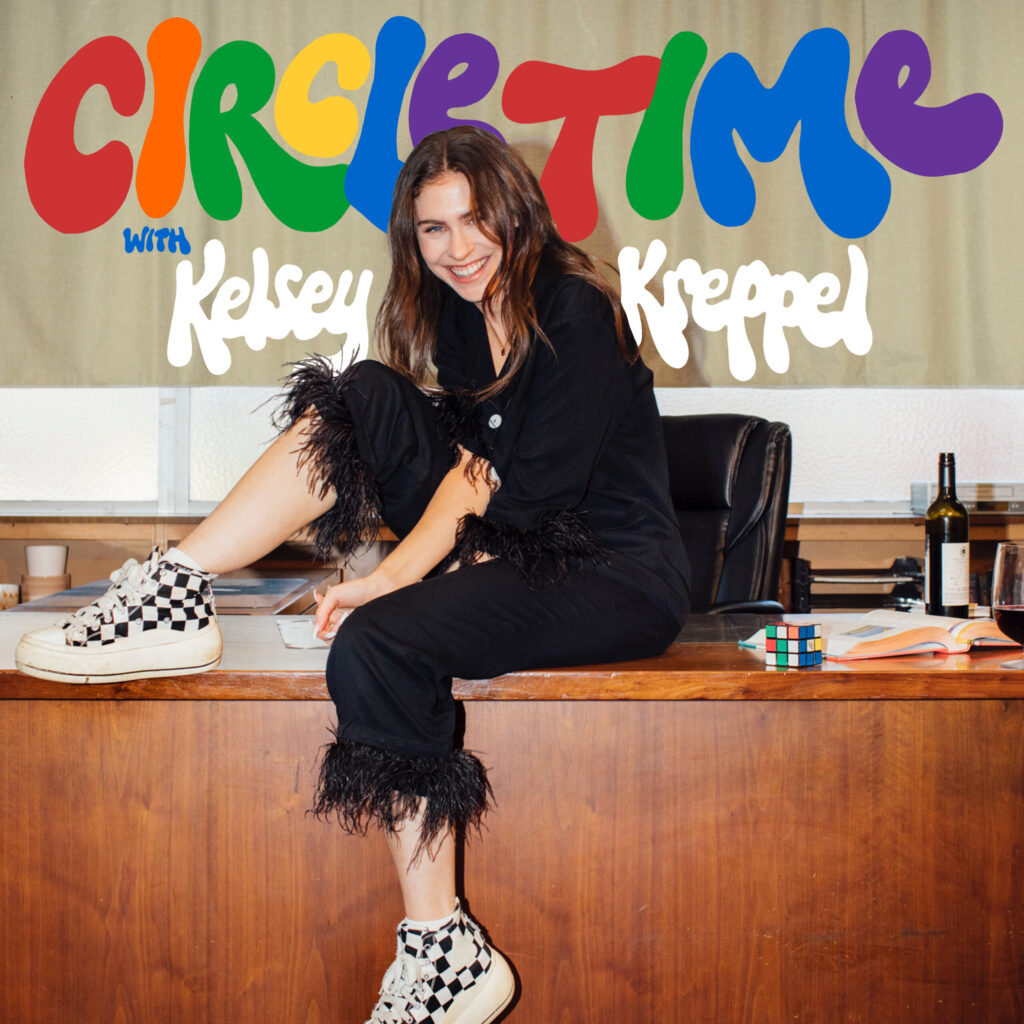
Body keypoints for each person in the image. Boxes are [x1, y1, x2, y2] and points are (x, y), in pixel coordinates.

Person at [15, 125, 692, 1024]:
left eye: (475, 220)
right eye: (434, 229)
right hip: (509, 542)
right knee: (368, 390)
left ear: (518, 211)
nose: (458, 248)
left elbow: (520, 497)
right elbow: (469, 478)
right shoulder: (461, 319)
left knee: (378, 642)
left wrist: (390, 582)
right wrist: (406, 570)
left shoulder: (574, 310)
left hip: (610, 570)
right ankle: (178, 584)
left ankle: (445, 954)